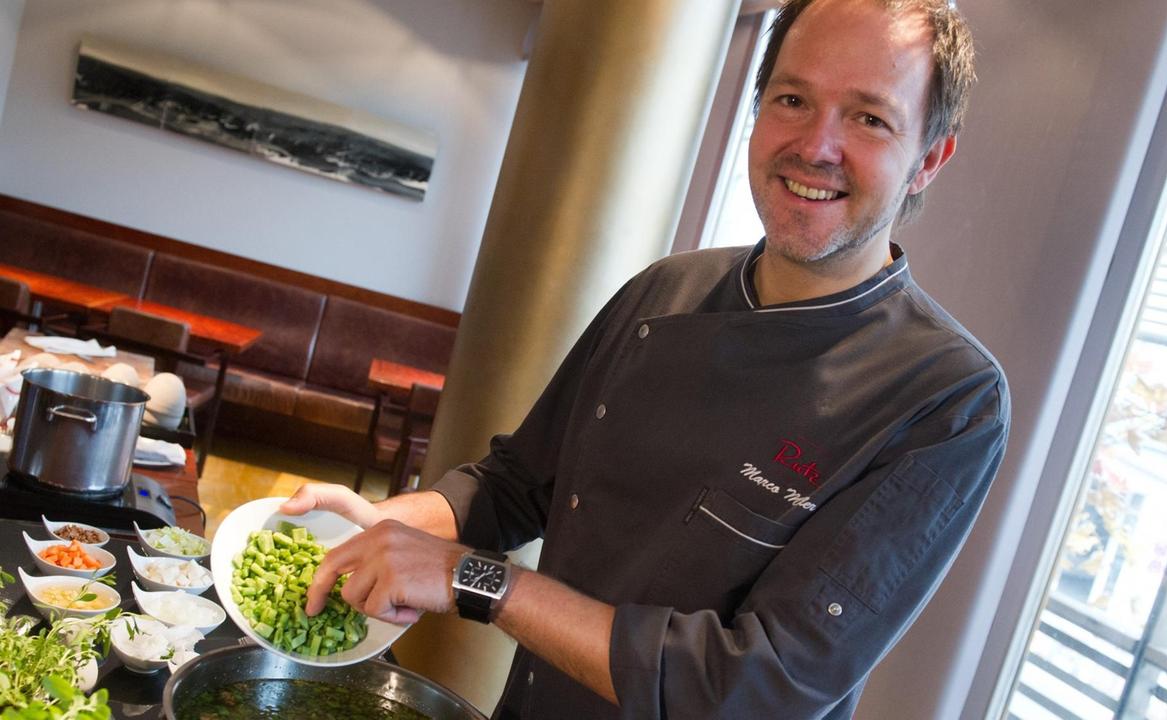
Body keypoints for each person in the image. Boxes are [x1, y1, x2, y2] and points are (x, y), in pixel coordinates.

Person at [282, 0, 1009, 718]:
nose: (817, 145)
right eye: (792, 98)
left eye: (870, 118)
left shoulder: (947, 398)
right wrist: (381, 528)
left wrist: (475, 580)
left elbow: (759, 686)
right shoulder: (668, 289)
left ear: (928, 160)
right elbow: (514, 486)